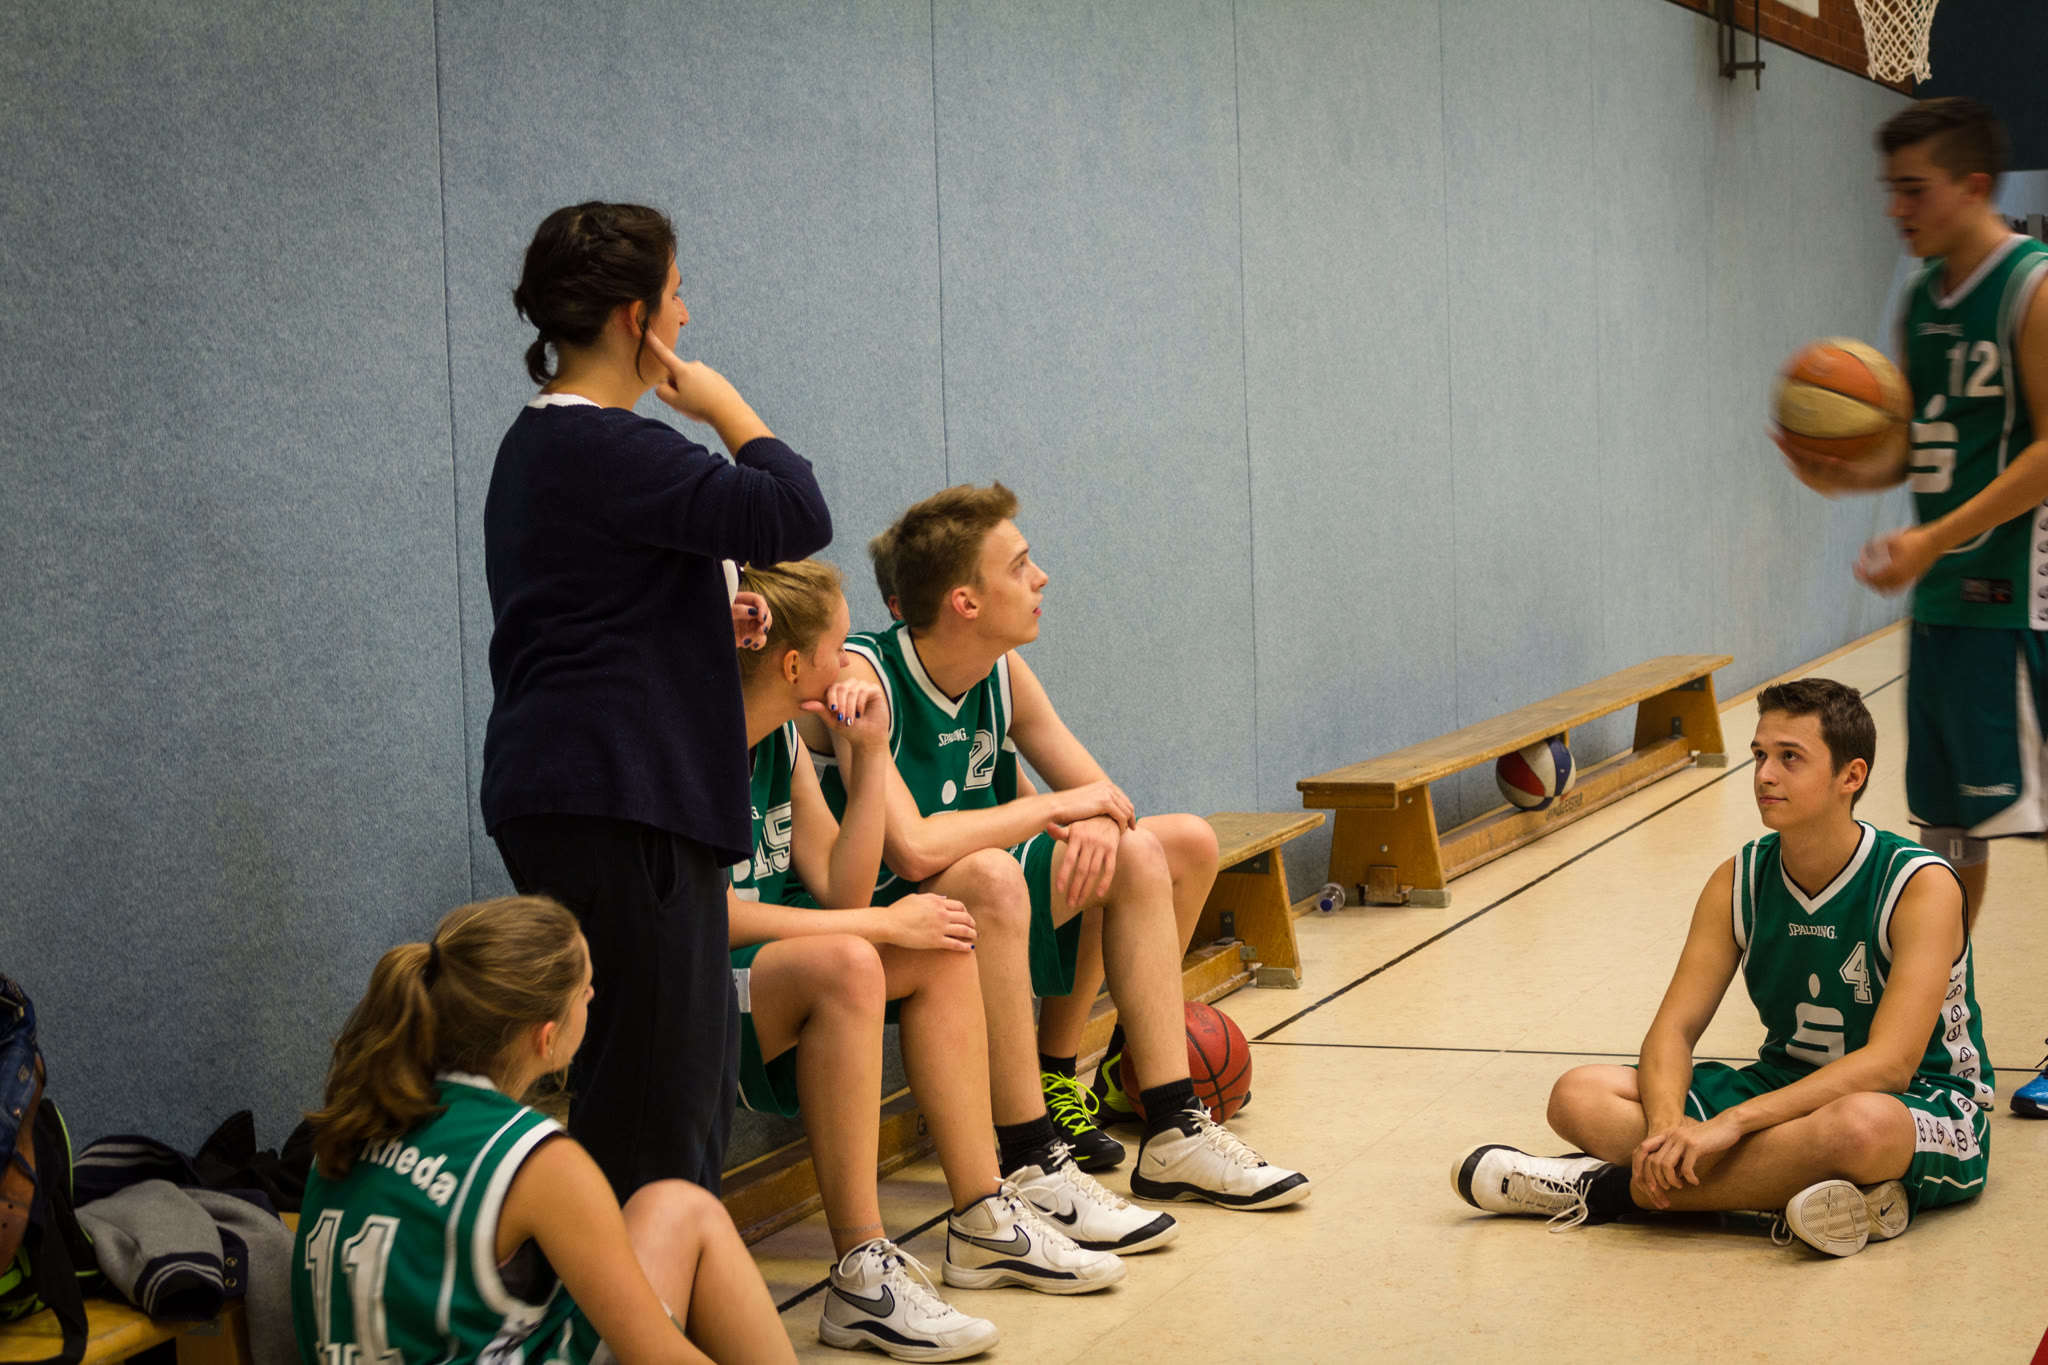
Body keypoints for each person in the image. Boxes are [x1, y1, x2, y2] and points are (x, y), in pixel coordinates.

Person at [802, 483, 1309, 1221]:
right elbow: (910, 850)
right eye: (1020, 565)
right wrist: (1057, 806)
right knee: (995, 871)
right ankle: (1029, 1148)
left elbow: (1103, 797)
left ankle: (1169, 1122)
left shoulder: (1004, 672)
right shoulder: (864, 675)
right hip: (891, 918)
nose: (1041, 578)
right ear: (965, 602)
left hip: (989, 891)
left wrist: (1098, 818)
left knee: (1151, 850)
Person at [480, 201, 832, 1201]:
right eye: (676, 293)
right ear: (636, 317)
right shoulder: (613, 446)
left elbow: (587, 605)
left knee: (651, 1083)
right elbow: (795, 512)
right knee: (662, 1109)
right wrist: (724, 407)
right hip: (625, 798)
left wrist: (702, 618)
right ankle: (640, 1295)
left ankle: (635, 1285)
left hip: (567, 789)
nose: (686, 314)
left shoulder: (536, 446)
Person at [725, 559, 1128, 1358]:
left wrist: (870, 755)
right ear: (795, 664)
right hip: (692, 985)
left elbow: (840, 887)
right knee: (855, 957)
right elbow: (710, 918)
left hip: (775, 965)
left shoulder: (785, 742)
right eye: (840, 649)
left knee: (942, 941)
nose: (852, 667)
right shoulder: (693, 750)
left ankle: (983, 1212)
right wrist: (879, 924)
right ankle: (859, 1268)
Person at [1451, 681, 1991, 1257]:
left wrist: (1731, 1125)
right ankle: (1814, 1192)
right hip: (1784, 1088)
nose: (1764, 775)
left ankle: (1601, 1188)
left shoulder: (1918, 883)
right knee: (1579, 1095)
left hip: (1926, 1103)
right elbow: (1673, 1030)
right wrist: (1665, 1130)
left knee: (1859, 1128)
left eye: (1790, 757)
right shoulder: (1738, 879)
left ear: (1850, 776)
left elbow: (1890, 1066)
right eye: (1760, 755)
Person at [1780, 98, 2048, 1119]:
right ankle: (1940, 1035)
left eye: (1912, 189)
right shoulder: (1922, 302)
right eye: (1887, 189)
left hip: (2019, 602)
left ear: (1973, 187)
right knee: (1949, 844)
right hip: (1942, 608)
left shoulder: (2029, 288)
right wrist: (1842, 469)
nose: (1894, 207)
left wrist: (1933, 539)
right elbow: (1919, 446)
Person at [292, 897, 796, 1365]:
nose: (593, 995)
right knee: (686, 1222)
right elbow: (659, 1357)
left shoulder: (352, 1120)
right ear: (546, 1038)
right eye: (585, 989)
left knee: (672, 1209)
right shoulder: (536, 1159)